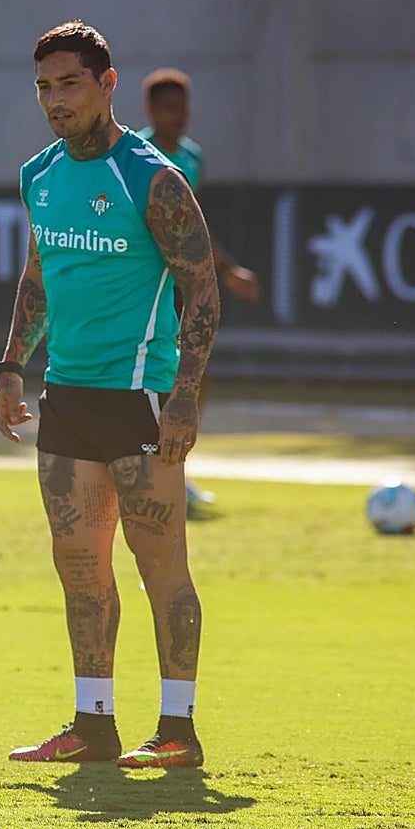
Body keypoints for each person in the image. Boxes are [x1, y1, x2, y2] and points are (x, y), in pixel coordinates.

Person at [0, 21, 219, 769]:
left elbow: (202, 286)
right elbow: (38, 273)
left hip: (139, 401)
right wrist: (10, 365)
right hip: (67, 400)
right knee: (81, 570)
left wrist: (185, 394)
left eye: (71, 84)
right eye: (45, 88)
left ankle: (178, 731)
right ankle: (93, 726)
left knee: (162, 570)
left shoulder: (152, 178)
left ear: (107, 84)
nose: (56, 101)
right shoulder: (39, 175)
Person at [139, 67, 261, 516]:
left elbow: (194, 224)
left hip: (181, 284)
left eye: (183, 108)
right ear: (150, 111)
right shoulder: (136, 153)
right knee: (149, 377)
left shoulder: (191, 158)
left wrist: (228, 270)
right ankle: (145, 469)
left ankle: (176, 469)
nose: (178, 117)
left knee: (193, 372)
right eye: (168, 109)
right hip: (144, 285)